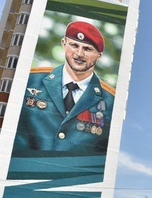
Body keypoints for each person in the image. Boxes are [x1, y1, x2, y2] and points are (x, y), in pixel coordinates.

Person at [12, 21, 114, 154]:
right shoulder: (31, 81)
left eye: (88, 49)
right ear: (64, 44)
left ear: (99, 55)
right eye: (74, 45)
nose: (79, 53)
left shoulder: (110, 101)